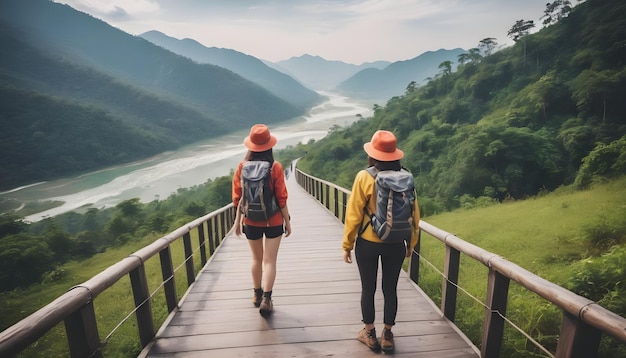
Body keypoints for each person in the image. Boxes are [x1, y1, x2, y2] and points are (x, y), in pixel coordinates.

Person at [342, 130, 420, 352]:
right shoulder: (407, 177)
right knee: (390, 288)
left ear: (373, 155)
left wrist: (347, 245)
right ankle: (387, 334)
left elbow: (354, 214)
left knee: (368, 288)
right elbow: (414, 214)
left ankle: (369, 333)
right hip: (396, 243)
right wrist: (411, 243)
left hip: (368, 241)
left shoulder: (364, 177)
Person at [232, 124, 292, 317]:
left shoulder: (241, 167)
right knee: (270, 261)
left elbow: (237, 198)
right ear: (269, 145)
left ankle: (256, 295)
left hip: (250, 222)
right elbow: (281, 197)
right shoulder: (275, 167)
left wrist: (238, 220)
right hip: (273, 220)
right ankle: (267, 298)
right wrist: (287, 222)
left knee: (256, 258)